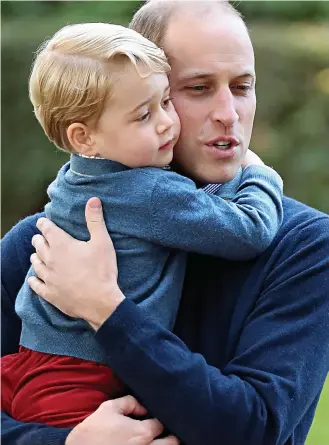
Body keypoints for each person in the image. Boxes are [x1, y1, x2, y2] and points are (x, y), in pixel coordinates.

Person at [2, 1, 329, 444]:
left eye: (242, 86)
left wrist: (106, 310)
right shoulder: (44, 246)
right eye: (197, 88)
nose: (228, 113)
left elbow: (254, 428)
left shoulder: (305, 247)